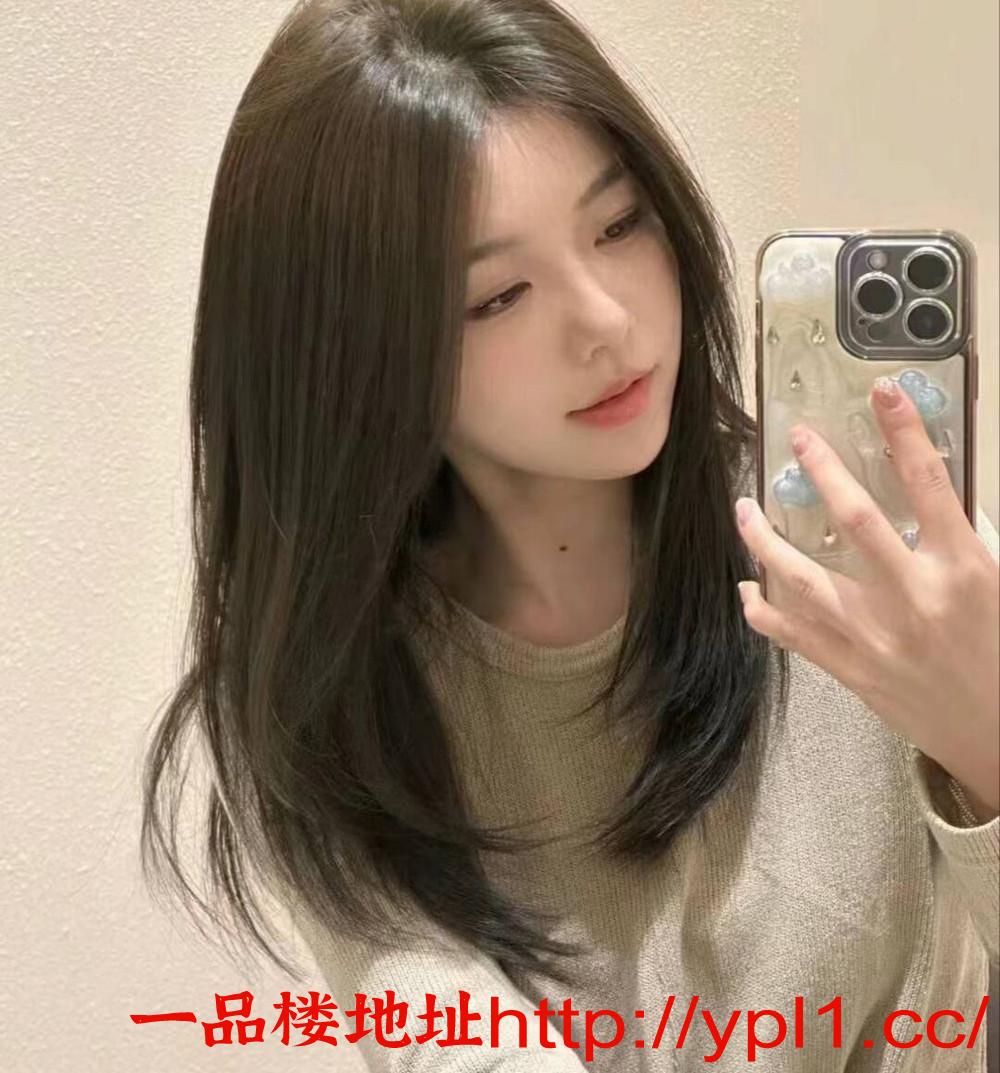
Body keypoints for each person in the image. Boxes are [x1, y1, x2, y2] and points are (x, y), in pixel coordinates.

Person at [140, 0, 1000, 1069]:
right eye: (497, 296)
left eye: (620, 223)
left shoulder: (863, 558)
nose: (606, 320)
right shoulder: (332, 698)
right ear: (355, 359)